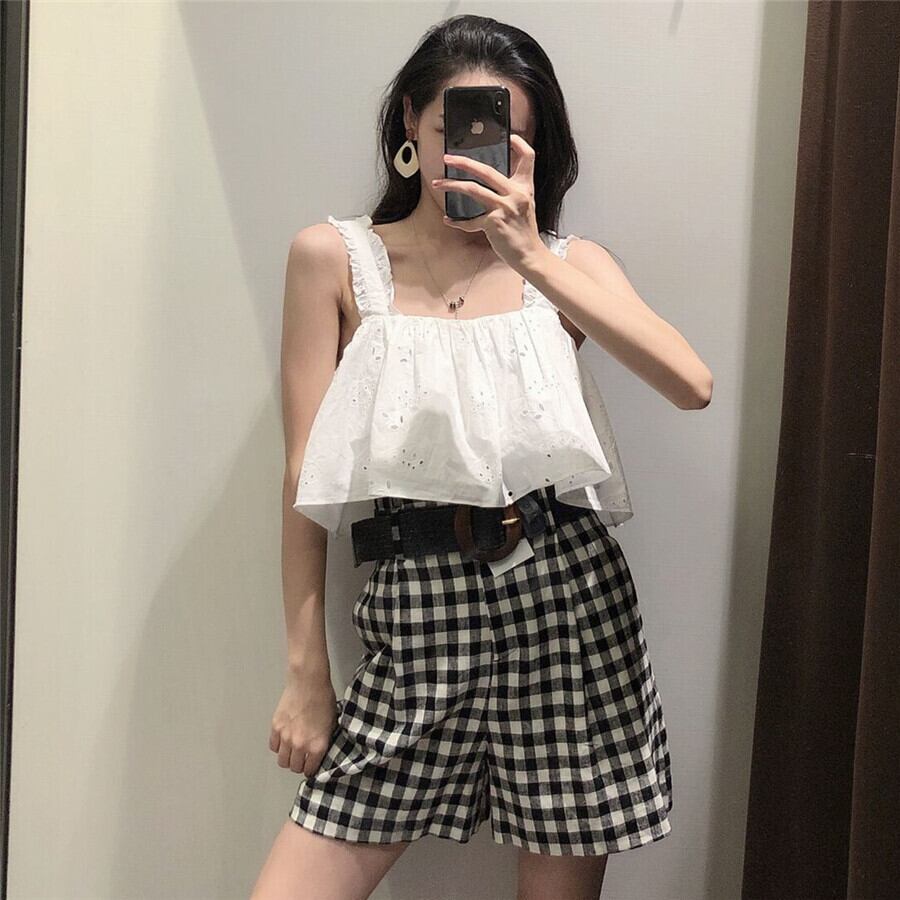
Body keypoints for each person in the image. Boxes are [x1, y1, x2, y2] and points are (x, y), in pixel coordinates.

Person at [252, 13, 712, 900]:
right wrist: (307, 672)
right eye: (448, 130)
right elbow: (304, 476)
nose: (469, 159)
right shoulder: (335, 259)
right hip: (416, 612)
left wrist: (530, 253)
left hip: (566, 606)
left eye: (503, 141)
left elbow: (690, 383)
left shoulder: (565, 264)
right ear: (410, 125)